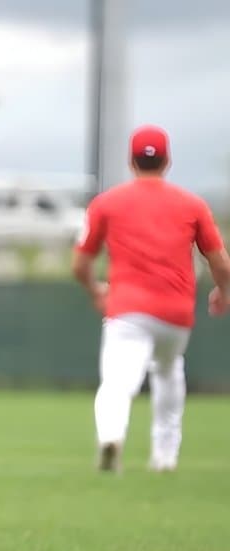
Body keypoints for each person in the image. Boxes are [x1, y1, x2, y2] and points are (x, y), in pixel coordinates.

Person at [72, 124, 230, 472]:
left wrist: (95, 289)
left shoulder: (107, 203)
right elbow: (219, 260)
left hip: (127, 309)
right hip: (176, 313)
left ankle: (112, 436)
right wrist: (223, 291)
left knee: (117, 383)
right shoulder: (192, 204)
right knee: (169, 370)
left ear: (131, 162)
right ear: (167, 160)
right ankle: (165, 455)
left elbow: (81, 262)